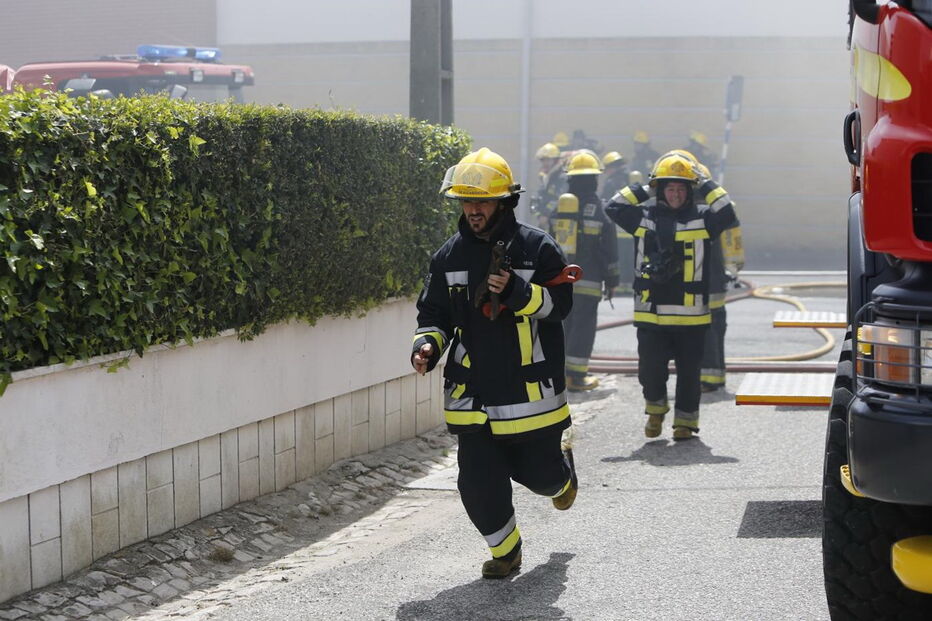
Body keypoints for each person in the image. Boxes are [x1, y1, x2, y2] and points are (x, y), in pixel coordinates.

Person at [411, 147, 578, 579]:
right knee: (476, 481)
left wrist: (521, 293)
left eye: (482, 201)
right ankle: (507, 551)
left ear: (504, 202)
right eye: (467, 202)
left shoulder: (538, 248)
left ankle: (562, 475)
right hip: (474, 395)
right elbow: (434, 315)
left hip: (529, 396)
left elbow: (561, 305)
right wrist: (428, 346)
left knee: (540, 478)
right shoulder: (448, 257)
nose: (473, 211)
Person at [605, 153, 737, 440]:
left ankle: (685, 423)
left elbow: (728, 212)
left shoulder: (703, 220)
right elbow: (613, 206)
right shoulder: (645, 219)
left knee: (690, 375)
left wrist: (704, 182)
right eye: (669, 188)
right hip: (651, 313)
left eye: (681, 188)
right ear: (661, 191)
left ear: (689, 191)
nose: (675, 194)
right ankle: (656, 410)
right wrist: (646, 186)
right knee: (650, 372)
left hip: (692, 315)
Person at [550, 151, 619, 391]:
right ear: (595, 179)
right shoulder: (600, 210)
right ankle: (577, 377)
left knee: (563, 327)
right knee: (583, 327)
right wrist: (613, 279)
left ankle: (559, 375)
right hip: (588, 280)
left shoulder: (561, 207)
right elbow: (609, 248)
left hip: (561, 280)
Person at [601, 151, 634, 293]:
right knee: (630, 258)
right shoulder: (631, 180)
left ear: (612, 167)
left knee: (620, 258)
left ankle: (620, 285)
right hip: (632, 228)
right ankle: (629, 285)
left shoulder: (611, 183)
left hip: (617, 228)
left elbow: (605, 204)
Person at [532, 142, 567, 229]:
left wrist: (545, 214)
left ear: (556, 161)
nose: (545, 163)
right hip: (547, 221)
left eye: (548, 160)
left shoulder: (562, 177)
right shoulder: (547, 177)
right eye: (543, 160)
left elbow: (559, 198)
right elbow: (540, 194)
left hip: (558, 222)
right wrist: (537, 210)